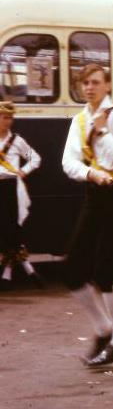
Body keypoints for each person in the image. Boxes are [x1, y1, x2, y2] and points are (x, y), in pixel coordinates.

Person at [61, 64, 113, 366]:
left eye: (96, 83)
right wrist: (91, 173)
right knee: (72, 271)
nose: (90, 88)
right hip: (95, 193)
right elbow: (68, 162)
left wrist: (102, 131)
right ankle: (105, 329)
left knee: (107, 273)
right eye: (85, 83)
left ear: (108, 85)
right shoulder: (79, 119)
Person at [0, 101, 41, 288]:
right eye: (4, 117)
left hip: (12, 189)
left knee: (12, 231)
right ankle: (26, 268)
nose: (7, 121)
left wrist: (23, 171)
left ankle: (8, 274)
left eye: (10, 117)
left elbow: (35, 158)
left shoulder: (16, 140)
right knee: (6, 233)